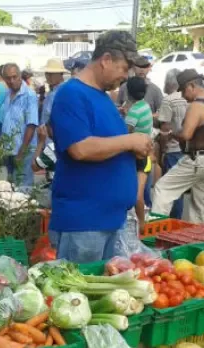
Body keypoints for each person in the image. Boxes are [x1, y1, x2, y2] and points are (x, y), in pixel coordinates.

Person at [48, 30, 153, 263]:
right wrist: (129, 141)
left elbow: (107, 143)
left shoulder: (103, 98)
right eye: (125, 68)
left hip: (110, 221)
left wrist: (132, 147)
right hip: (85, 224)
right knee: (82, 293)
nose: (126, 77)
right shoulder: (72, 94)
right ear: (106, 60)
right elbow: (80, 148)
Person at [152, 69, 204, 224]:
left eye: (183, 90)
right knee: (201, 202)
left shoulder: (197, 106)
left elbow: (186, 135)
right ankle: (198, 240)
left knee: (162, 189)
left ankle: (155, 233)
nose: (183, 95)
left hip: (198, 159)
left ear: (191, 86)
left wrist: (171, 133)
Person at [124, 76, 156, 228]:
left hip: (139, 158)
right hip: (144, 156)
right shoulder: (145, 106)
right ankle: (141, 225)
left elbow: (125, 133)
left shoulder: (134, 112)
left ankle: (142, 227)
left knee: (137, 196)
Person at [1, 63, 39, 189]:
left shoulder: (29, 95)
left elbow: (31, 125)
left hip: (23, 150)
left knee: (23, 189)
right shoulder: (7, 93)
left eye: (14, 77)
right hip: (9, 149)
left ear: (20, 76)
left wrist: (22, 151)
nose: (11, 81)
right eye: (8, 78)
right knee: (11, 187)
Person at [156, 69, 187, 219]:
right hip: (187, 148)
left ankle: (172, 221)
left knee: (170, 189)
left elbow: (165, 129)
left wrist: (162, 150)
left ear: (169, 83)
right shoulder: (188, 97)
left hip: (173, 148)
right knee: (180, 188)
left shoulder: (169, 100)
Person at [33, 59, 67, 168]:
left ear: (60, 75)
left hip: (52, 142)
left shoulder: (58, 93)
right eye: (47, 73)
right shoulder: (53, 92)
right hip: (49, 141)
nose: (48, 76)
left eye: (51, 74)